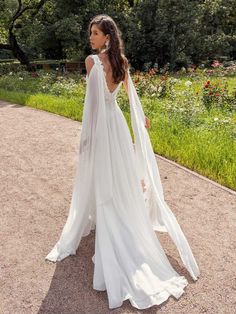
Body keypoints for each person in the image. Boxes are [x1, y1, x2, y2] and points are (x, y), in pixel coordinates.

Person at [45, 14, 200, 310]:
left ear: (106, 36)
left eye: (95, 33)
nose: (90, 37)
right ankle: (115, 214)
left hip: (103, 128)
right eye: (91, 33)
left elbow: (91, 108)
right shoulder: (121, 62)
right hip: (117, 125)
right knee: (118, 174)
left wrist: (85, 139)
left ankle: (107, 219)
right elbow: (129, 94)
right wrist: (141, 120)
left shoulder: (93, 62)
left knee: (102, 173)